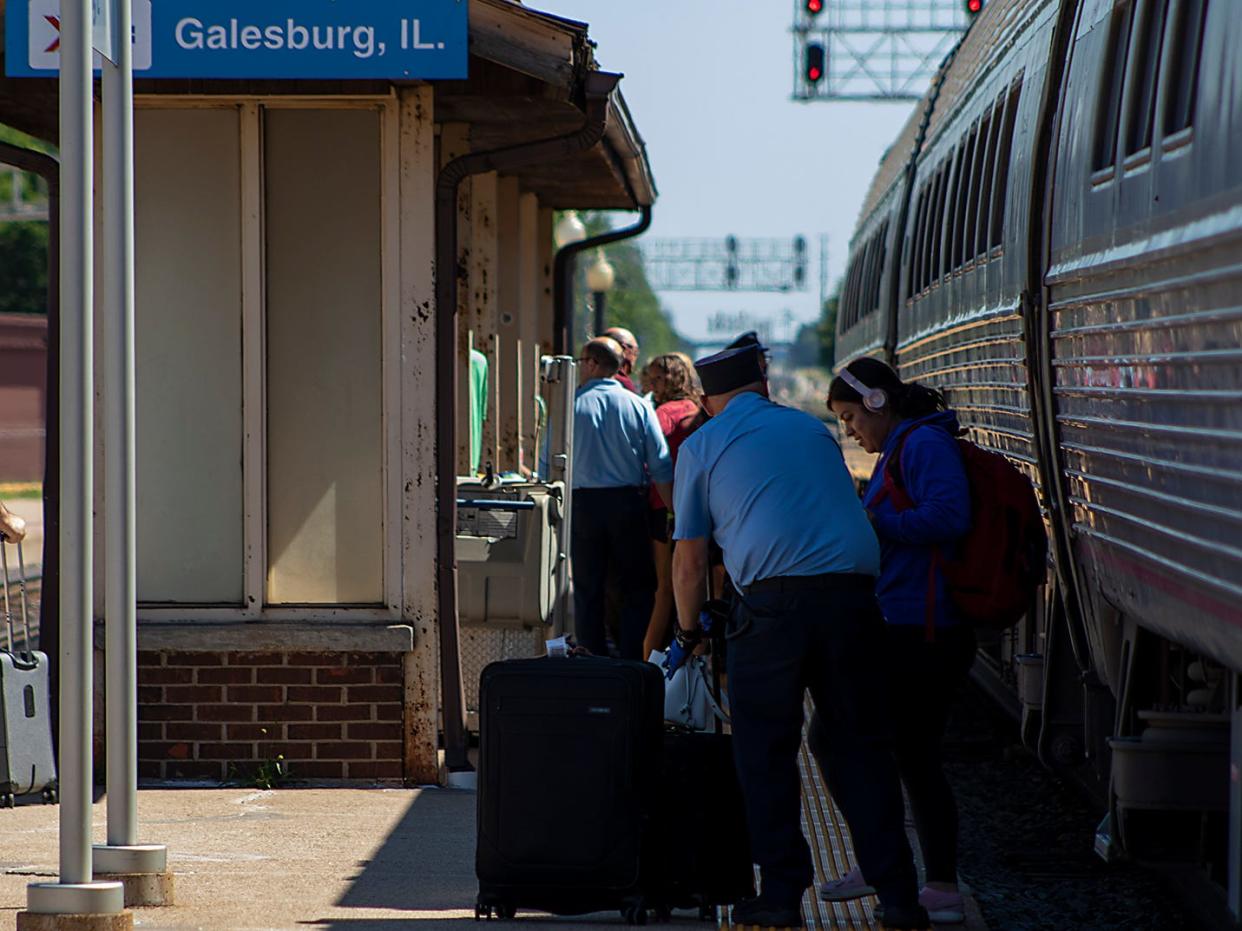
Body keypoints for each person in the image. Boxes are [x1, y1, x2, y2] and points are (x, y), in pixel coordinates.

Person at [668, 345, 928, 930]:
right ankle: (900, 898)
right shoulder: (812, 431)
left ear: (709, 400)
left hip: (773, 608)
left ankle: (781, 896)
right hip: (854, 601)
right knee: (861, 747)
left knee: (764, 751)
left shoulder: (703, 443)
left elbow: (688, 561)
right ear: (761, 387)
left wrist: (691, 633)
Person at [815, 357, 974, 924]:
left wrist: (876, 524)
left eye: (852, 416)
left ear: (878, 402)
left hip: (923, 627)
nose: (851, 431)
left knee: (873, 745)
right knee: (892, 749)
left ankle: (923, 879)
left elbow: (949, 517)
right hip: (909, 622)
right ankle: (897, 867)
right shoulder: (906, 446)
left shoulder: (923, 447)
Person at [570, 337, 673, 660]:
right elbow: (660, 463)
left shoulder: (570, 405)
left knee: (588, 588)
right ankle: (631, 661)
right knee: (636, 587)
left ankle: (591, 660)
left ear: (590, 364)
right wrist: (674, 512)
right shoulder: (638, 405)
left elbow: (550, 462)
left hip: (583, 505)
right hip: (627, 504)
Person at [639, 353, 705, 659]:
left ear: (673, 378)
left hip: (663, 507)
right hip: (701, 508)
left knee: (665, 589)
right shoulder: (701, 411)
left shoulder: (662, 413)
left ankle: (647, 660)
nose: (652, 384)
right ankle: (701, 660)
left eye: (657, 378)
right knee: (700, 589)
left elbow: (648, 458)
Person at [603, 326, 640, 393]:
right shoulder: (622, 384)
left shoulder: (590, 379)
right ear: (625, 350)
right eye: (636, 351)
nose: (636, 356)